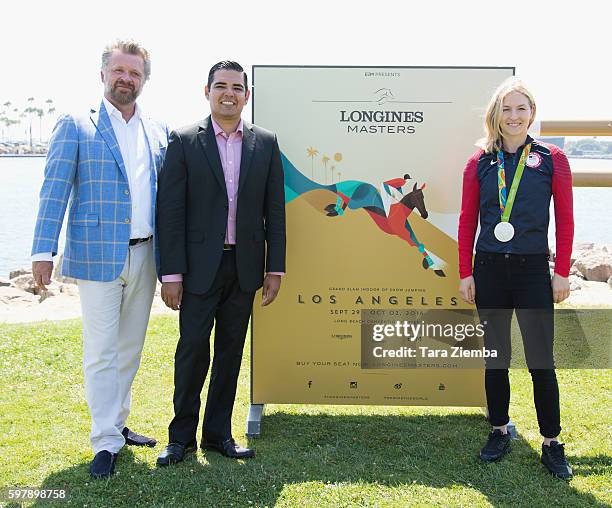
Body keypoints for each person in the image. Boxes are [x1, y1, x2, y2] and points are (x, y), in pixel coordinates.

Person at [31, 40, 169, 479]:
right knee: (101, 351)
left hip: (146, 255)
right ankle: (104, 441)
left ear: (144, 80)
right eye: (119, 71)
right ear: (103, 74)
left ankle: (118, 422)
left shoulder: (157, 130)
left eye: (135, 73)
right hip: (96, 258)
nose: (126, 79)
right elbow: (55, 189)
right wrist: (42, 250)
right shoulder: (75, 125)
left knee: (130, 348)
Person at [156, 61, 285, 466]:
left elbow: (275, 212)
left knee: (230, 353)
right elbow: (170, 212)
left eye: (236, 87)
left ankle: (217, 435)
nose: (228, 93)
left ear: (247, 94)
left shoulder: (265, 142)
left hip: (244, 268)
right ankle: (180, 439)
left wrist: (274, 268)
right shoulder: (182, 140)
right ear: (207, 91)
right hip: (196, 271)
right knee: (192, 351)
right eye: (220, 86)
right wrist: (171, 274)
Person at [457, 77, 574, 479]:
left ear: (532, 113)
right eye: (506, 108)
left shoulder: (551, 157)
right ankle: (499, 429)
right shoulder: (480, 162)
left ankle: (552, 442)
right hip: (489, 269)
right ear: (496, 114)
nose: (514, 116)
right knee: (496, 357)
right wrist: (465, 272)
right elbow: (467, 221)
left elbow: (566, 220)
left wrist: (560, 273)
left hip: (531, 272)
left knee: (542, 361)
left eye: (521, 108)